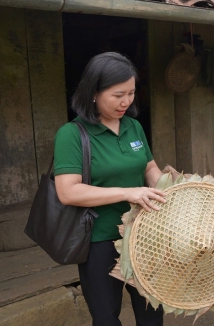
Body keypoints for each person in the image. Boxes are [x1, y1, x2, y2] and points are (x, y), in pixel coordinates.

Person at [54, 52, 166, 326]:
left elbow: (149, 167)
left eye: (131, 93)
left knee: (152, 312)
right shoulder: (71, 134)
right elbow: (68, 192)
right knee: (106, 317)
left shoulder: (133, 127)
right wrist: (128, 192)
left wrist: (169, 190)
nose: (126, 102)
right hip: (99, 240)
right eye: (118, 95)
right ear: (93, 92)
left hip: (143, 236)